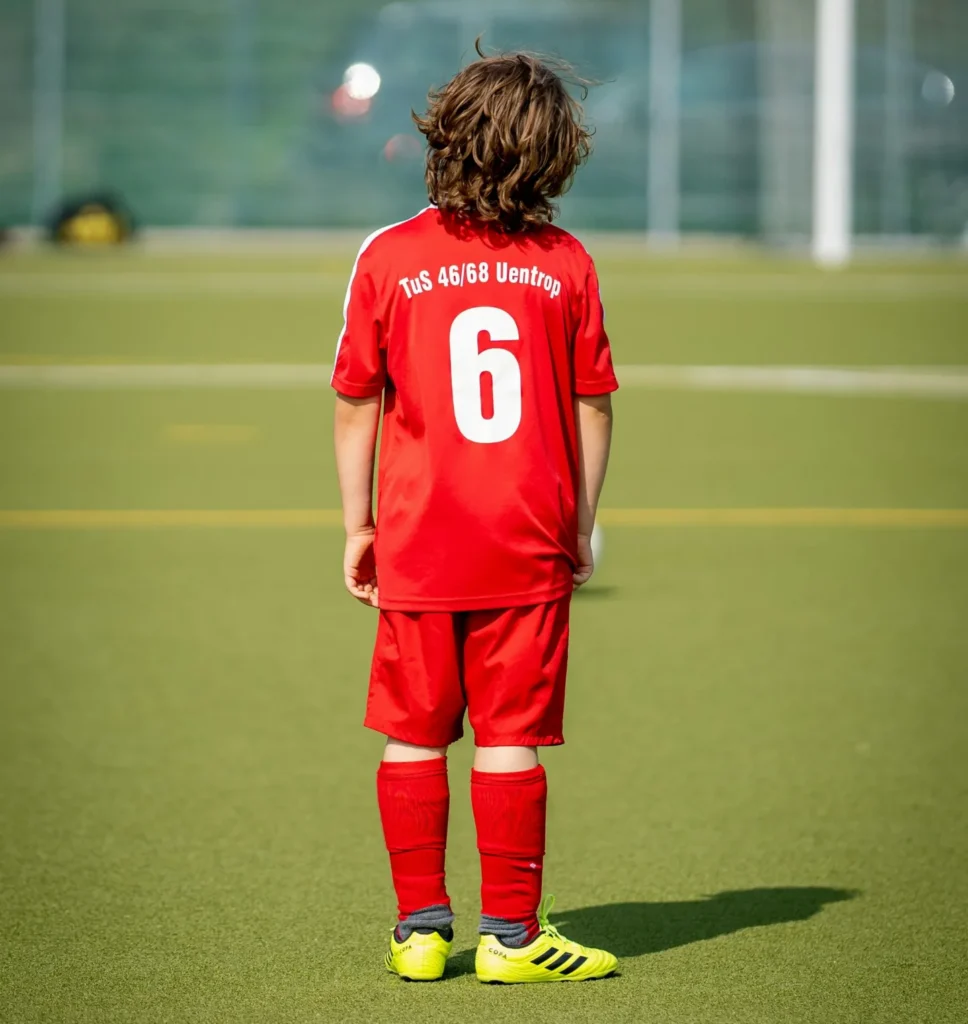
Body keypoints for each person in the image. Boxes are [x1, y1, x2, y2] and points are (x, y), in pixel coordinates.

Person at [331, 44, 618, 984]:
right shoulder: (566, 263)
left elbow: (356, 399)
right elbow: (592, 403)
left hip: (418, 537)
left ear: (444, 138)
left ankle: (420, 931)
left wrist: (357, 525)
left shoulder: (389, 255)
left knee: (414, 731)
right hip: (526, 539)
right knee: (508, 739)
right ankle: (510, 938)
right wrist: (579, 524)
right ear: (553, 156)